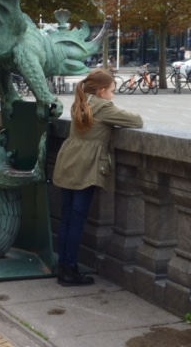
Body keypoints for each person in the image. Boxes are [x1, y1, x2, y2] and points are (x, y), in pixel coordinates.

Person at [52, 69, 143, 286]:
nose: (114, 95)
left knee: (67, 218)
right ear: (102, 91)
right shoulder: (104, 107)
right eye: (112, 91)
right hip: (86, 167)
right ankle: (70, 271)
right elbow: (137, 121)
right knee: (77, 220)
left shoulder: (80, 103)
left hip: (68, 161)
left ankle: (64, 267)